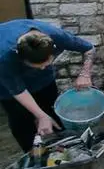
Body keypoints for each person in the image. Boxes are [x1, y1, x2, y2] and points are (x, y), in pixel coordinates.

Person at [0, 20, 95, 152]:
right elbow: (17, 90)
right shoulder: (3, 56)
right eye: (38, 66)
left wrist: (85, 74)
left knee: (53, 112)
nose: (43, 67)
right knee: (21, 120)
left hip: (43, 81)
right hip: (6, 86)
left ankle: (68, 150)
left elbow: (89, 48)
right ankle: (33, 158)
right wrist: (41, 116)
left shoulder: (56, 36)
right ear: (21, 59)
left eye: (46, 63)